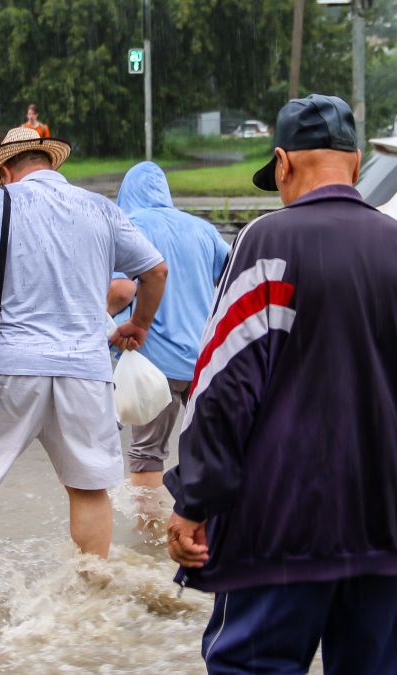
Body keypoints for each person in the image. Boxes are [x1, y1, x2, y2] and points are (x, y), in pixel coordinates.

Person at [163, 94, 397, 673]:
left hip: (277, 529)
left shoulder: (265, 246)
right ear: (358, 162)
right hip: (386, 525)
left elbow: (222, 389)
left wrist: (196, 498)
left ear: (284, 164)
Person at [0, 126, 168, 588]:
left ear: (6, 171)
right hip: (87, 371)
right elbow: (155, 270)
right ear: (51, 164)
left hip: (13, 365)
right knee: (88, 488)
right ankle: (92, 592)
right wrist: (139, 324)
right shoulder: (101, 209)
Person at [109, 162, 230, 518]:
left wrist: (99, 318)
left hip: (152, 363)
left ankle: (152, 541)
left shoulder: (131, 227)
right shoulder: (202, 229)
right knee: (211, 447)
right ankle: (208, 527)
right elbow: (232, 276)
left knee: (148, 453)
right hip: (204, 362)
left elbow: (121, 288)